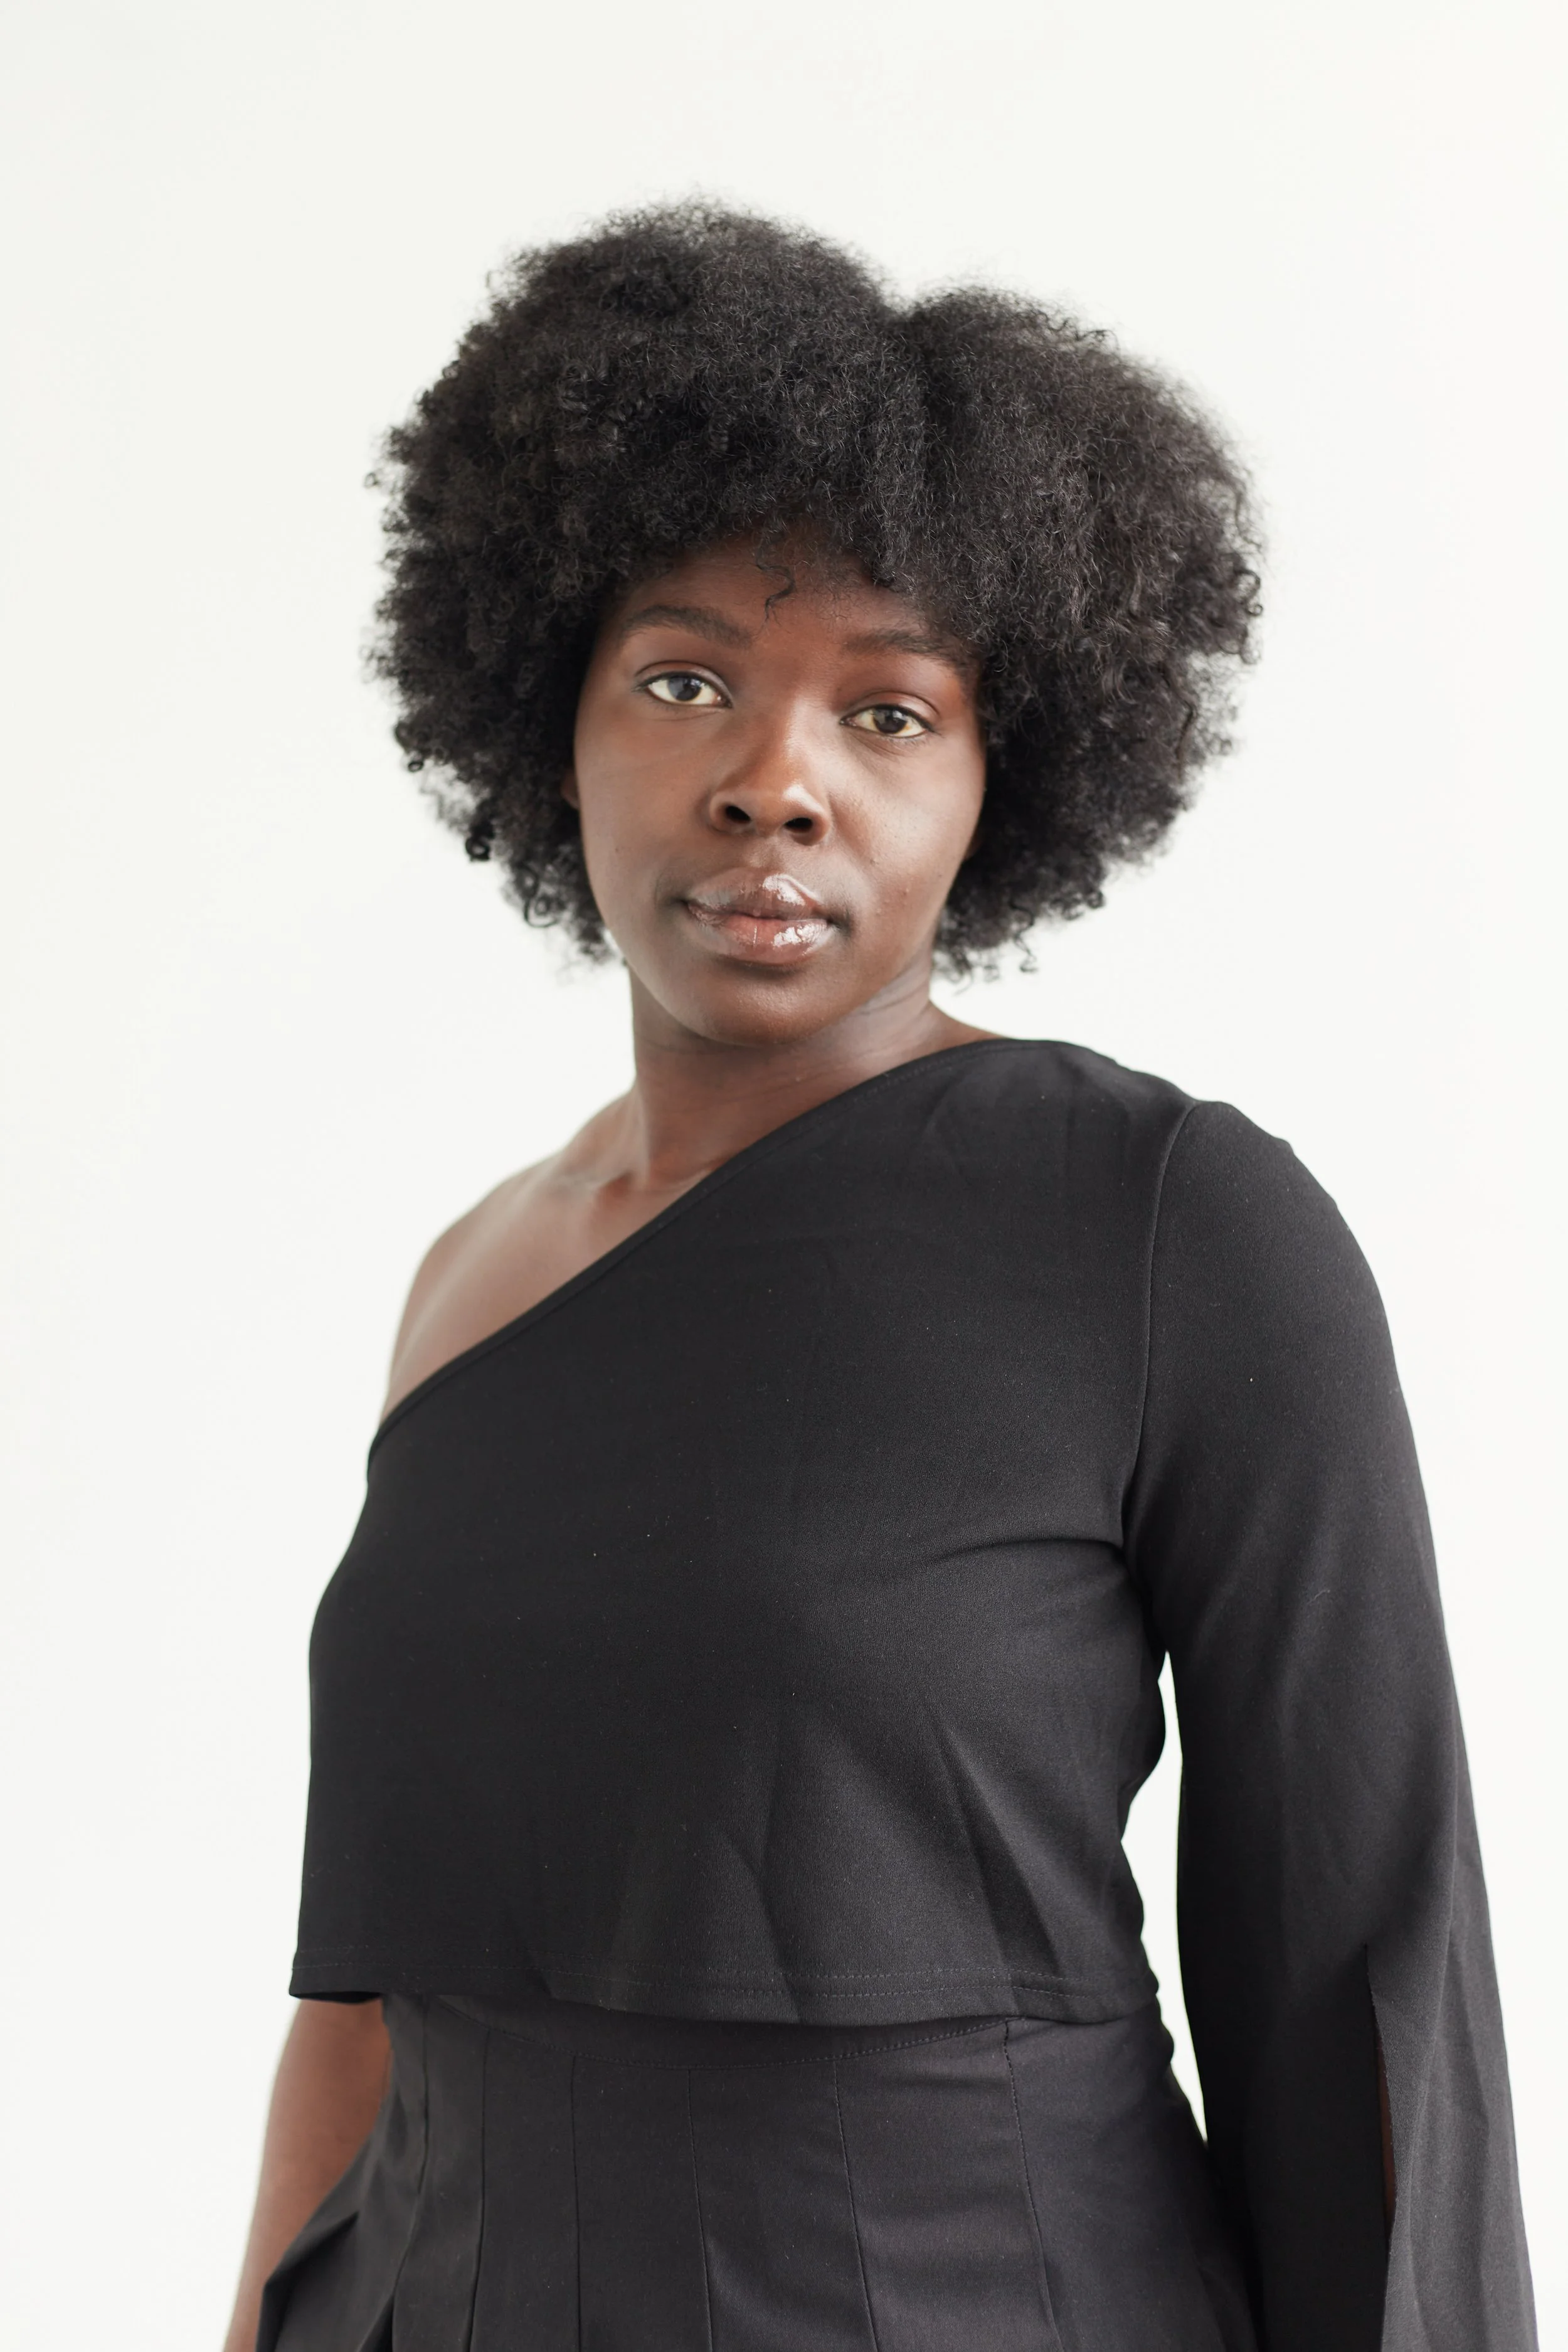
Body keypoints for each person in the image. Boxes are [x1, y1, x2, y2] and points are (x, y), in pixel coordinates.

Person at [223, 205, 1536, 2352]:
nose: (775, 783)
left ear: (1002, 772)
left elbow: (1360, 1993)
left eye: (889, 708)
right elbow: (363, 2003)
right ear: (550, 721)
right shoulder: (472, 1276)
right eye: (684, 682)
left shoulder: (1171, 1228)